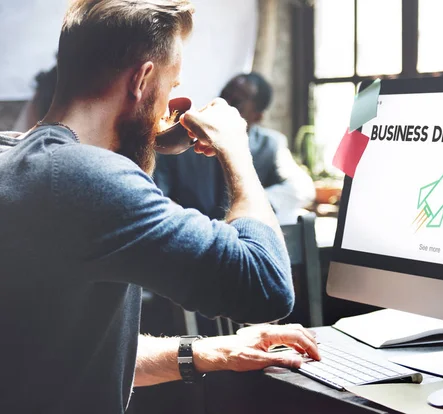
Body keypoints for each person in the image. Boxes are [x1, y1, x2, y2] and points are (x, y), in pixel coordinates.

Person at [0, 1, 319, 413]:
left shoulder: (17, 157)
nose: (169, 104)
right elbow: (267, 286)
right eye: (171, 86)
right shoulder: (87, 178)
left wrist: (215, 351)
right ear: (143, 79)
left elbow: (65, 354)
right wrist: (236, 151)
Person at [154, 72, 315, 224]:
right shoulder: (182, 141)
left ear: (257, 116)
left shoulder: (270, 145)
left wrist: (250, 205)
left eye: (236, 102)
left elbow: (302, 188)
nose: (225, 105)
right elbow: (157, 195)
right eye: (223, 95)